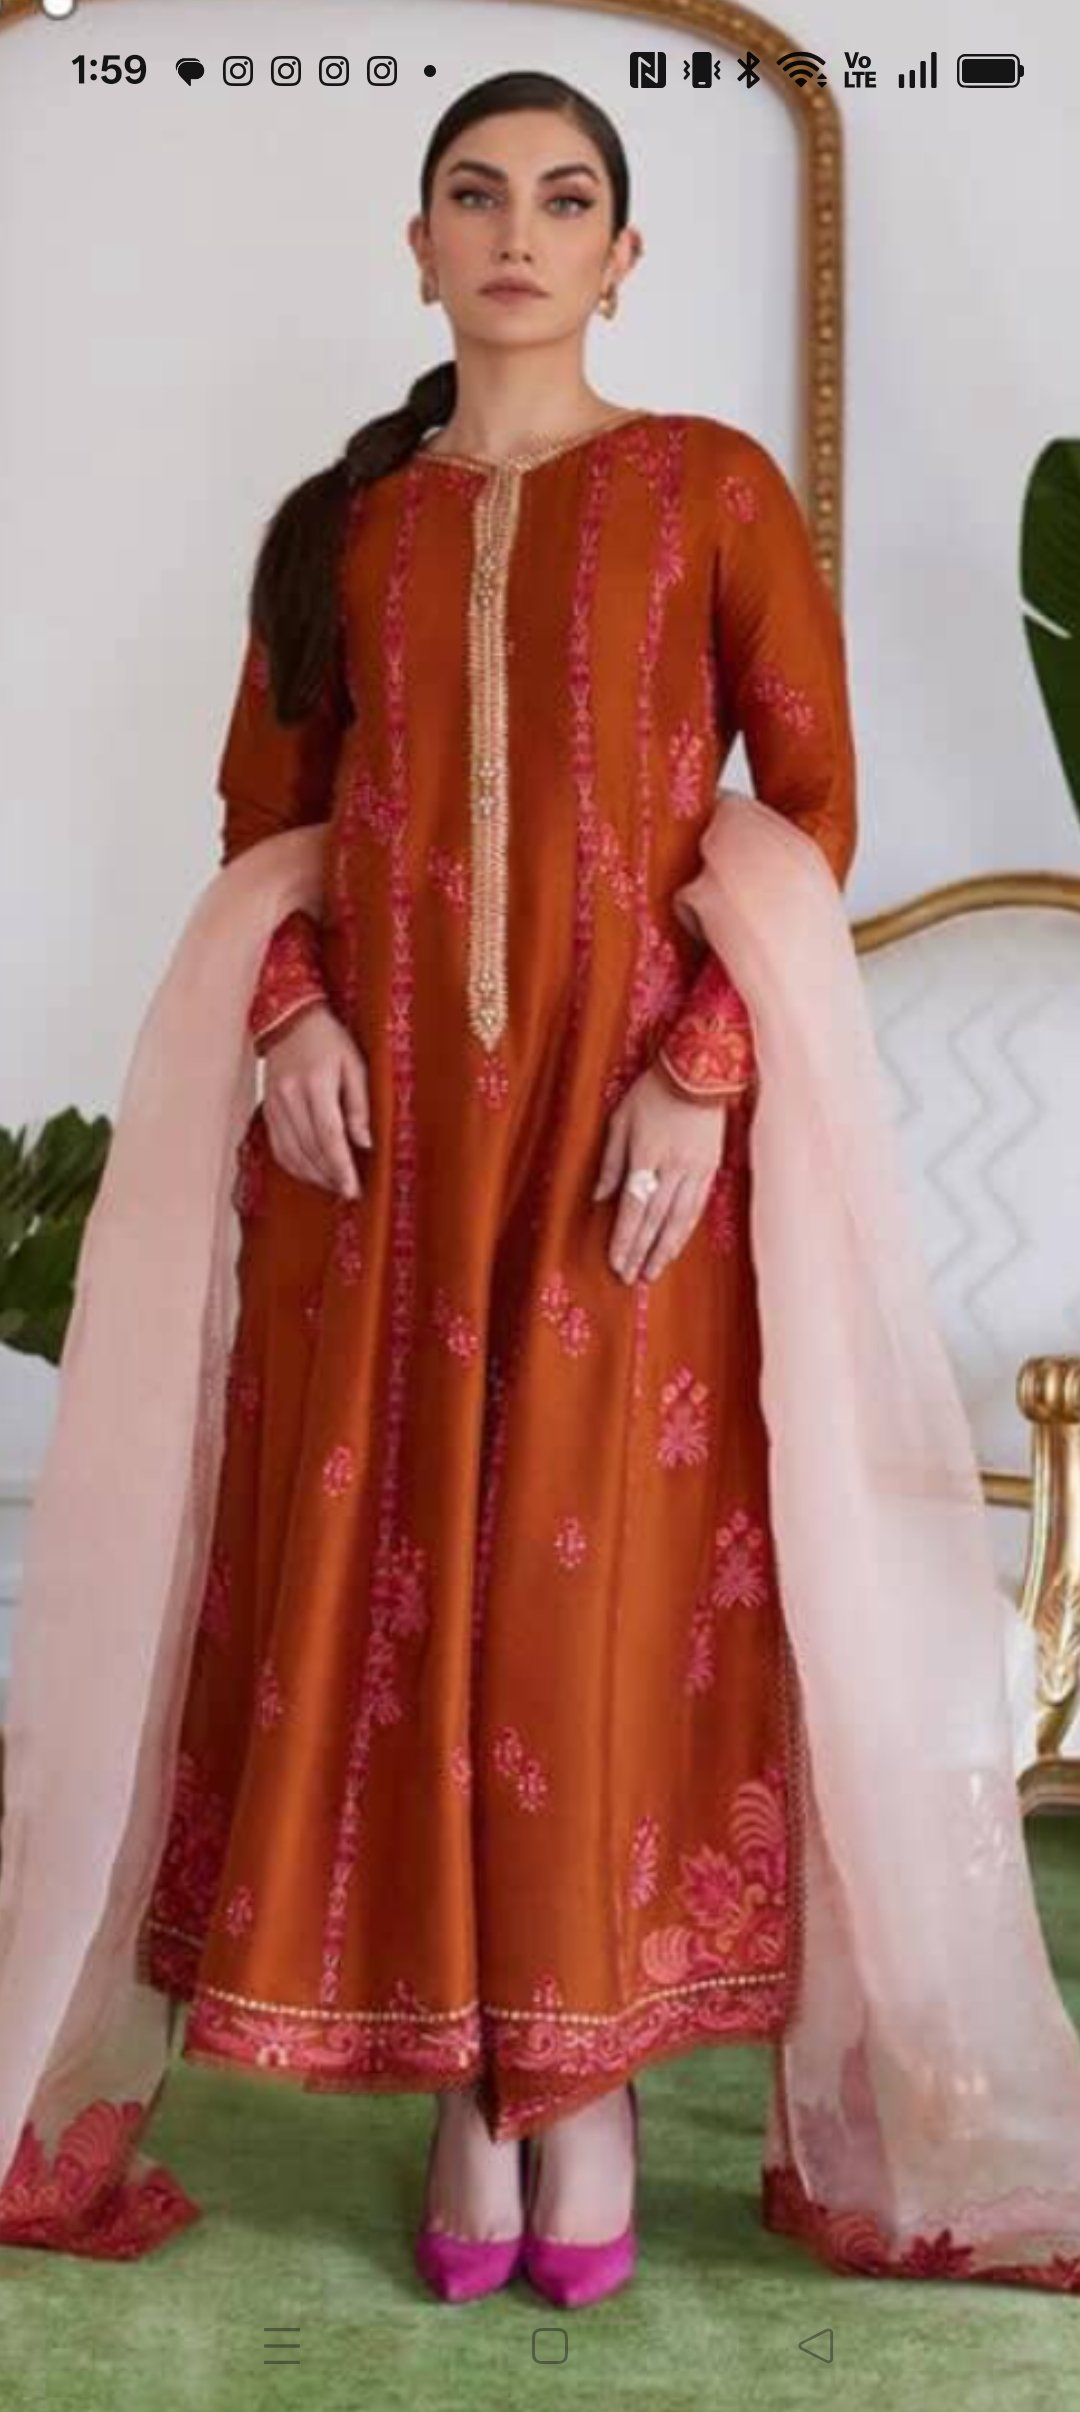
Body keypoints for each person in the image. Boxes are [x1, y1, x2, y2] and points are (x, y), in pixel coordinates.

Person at [3, 67, 1080, 2305]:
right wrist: (290, 1019)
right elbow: (266, 822)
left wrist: (701, 1073)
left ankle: (576, 2085)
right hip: (378, 1164)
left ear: (621, 254)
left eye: (566, 197)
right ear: (418, 248)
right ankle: (461, 2093)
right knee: (409, 1582)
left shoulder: (707, 490)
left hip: (626, 1155)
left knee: (589, 1603)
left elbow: (812, 799)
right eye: (476, 196)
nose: (519, 231)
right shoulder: (344, 535)